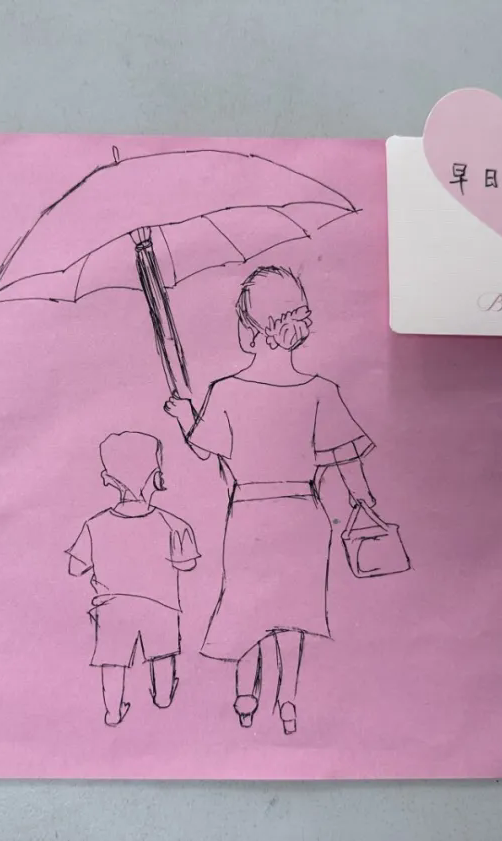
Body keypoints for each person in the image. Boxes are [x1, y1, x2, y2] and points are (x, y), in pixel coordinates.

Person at [164, 266, 376, 735]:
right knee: (292, 615)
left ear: (250, 328)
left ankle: (245, 696)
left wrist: (184, 414)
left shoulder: (225, 391)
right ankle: (288, 700)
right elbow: (347, 458)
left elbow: (204, 448)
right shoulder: (321, 390)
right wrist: (365, 500)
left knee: (248, 607)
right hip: (304, 512)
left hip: (249, 512)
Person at [66, 432, 200, 727]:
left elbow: (75, 568)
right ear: (157, 476)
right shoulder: (174, 523)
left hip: (113, 606)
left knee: (112, 660)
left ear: (108, 479)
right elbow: (188, 563)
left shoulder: (95, 524)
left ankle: (113, 711)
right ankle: (162, 697)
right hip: (161, 605)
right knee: (162, 654)